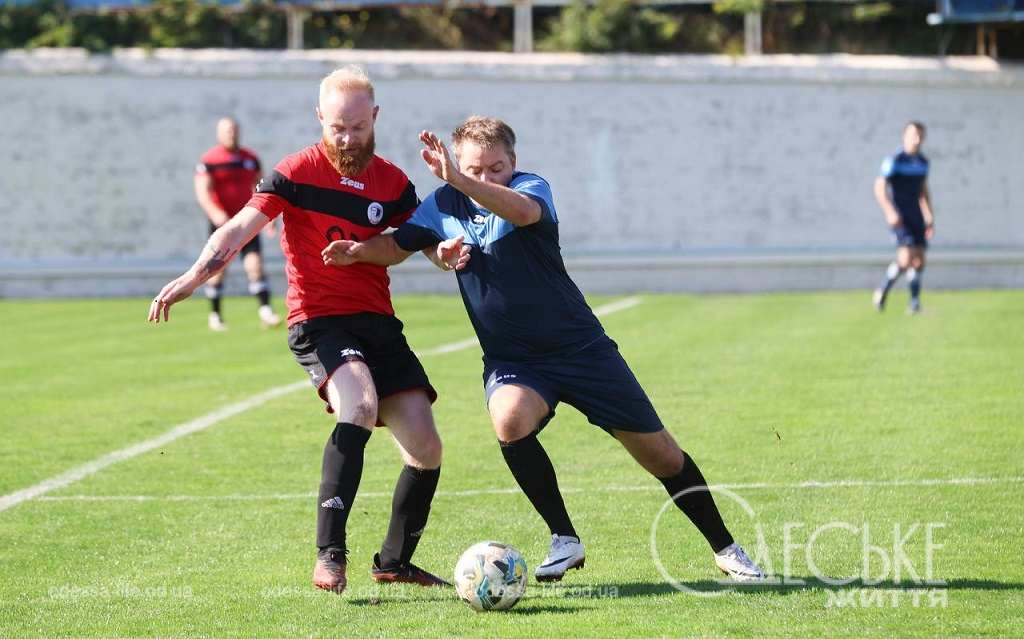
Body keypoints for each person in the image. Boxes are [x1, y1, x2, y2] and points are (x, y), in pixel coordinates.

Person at [322, 116, 766, 583]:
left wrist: (459, 178)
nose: (487, 177)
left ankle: (726, 548)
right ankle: (564, 539)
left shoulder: (531, 189)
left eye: (497, 167)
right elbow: (396, 246)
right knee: (509, 420)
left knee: (662, 456)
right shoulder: (441, 207)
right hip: (515, 361)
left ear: (513, 162)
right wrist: (359, 252)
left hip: (582, 350)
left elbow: (522, 213)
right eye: (476, 169)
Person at [151, 67, 456, 595]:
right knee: (357, 404)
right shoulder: (294, 172)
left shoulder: (393, 182)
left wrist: (442, 253)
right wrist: (194, 278)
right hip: (318, 320)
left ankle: (394, 561)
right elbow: (239, 228)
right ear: (320, 118)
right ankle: (330, 554)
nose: (346, 138)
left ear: (375, 118)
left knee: (426, 447)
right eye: (337, 127)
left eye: (357, 127)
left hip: (379, 323)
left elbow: (419, 239)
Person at [194, 117, 281, 330]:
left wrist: (268, 216)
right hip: (223, 224)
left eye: (233, 130)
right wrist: (215, 214)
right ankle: (215, 315)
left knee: (255, 265)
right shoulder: (210, 160)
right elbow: (202, 190)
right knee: (218, 268)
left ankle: (265, 311)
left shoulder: (250, 158)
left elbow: (261, 187)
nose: (231, 134)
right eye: (226, 130)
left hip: (247, 221)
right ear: (219, 133)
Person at [872, 121, 935, 314]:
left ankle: (914, 303)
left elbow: (923, 191)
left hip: (916, 215)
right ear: (904, 136)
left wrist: (928, 215)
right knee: (906, 257)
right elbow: (880, 187)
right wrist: (889, 211)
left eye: (920, 135)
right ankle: (882, 289)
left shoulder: (923, 162)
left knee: (920, 259)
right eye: (913, 134)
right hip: (900, 216)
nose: (917, 139)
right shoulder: (895, 160)